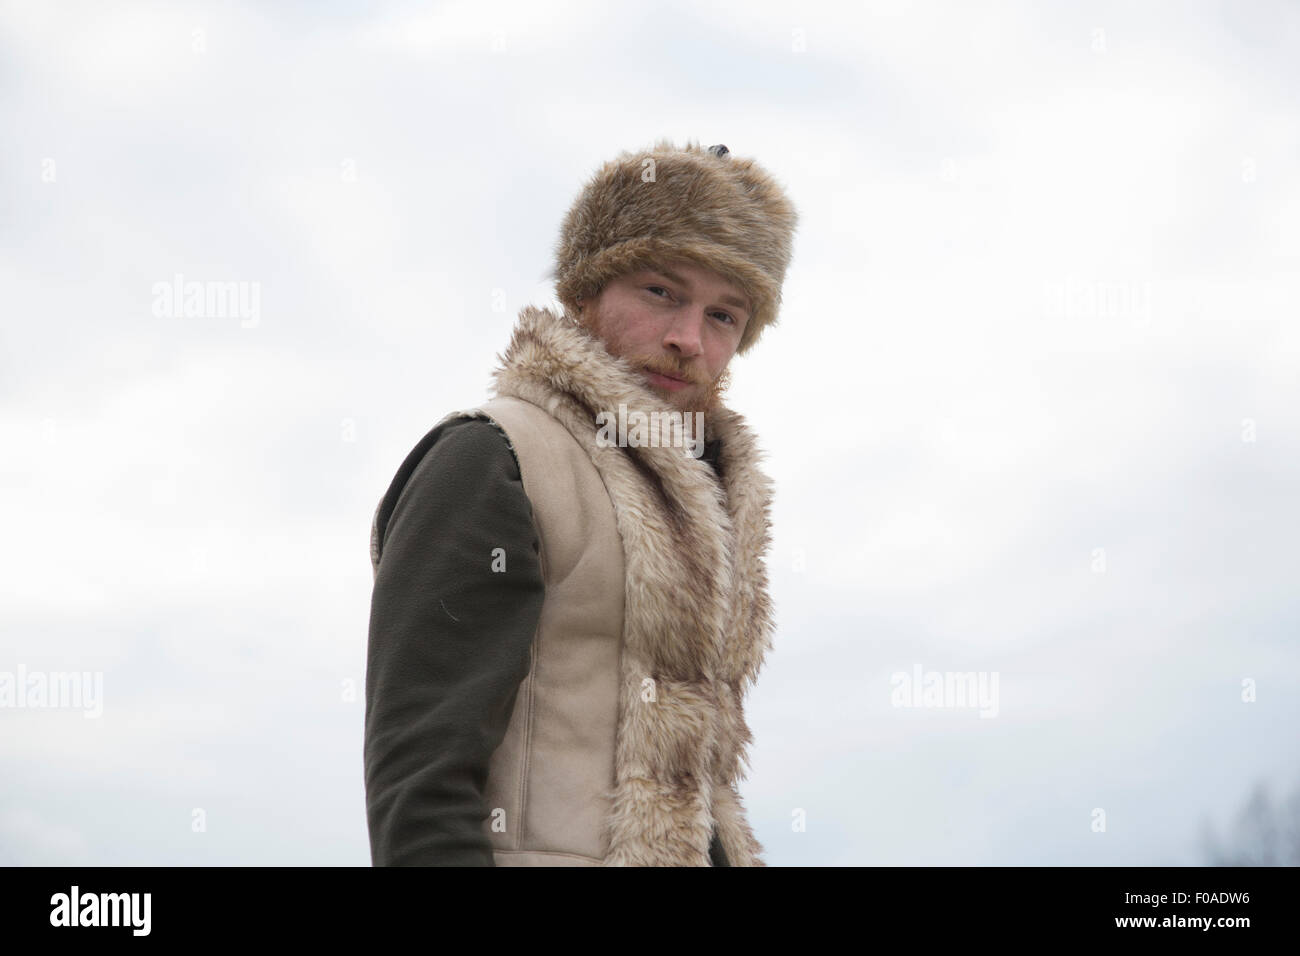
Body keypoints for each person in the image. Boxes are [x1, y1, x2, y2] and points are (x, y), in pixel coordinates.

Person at [364, 138, 798, 866]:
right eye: (661, 292)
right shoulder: (492, 457)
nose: (687, 339)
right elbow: (420, 782)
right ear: (585, 292)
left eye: (724, 315)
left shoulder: (716, 507)